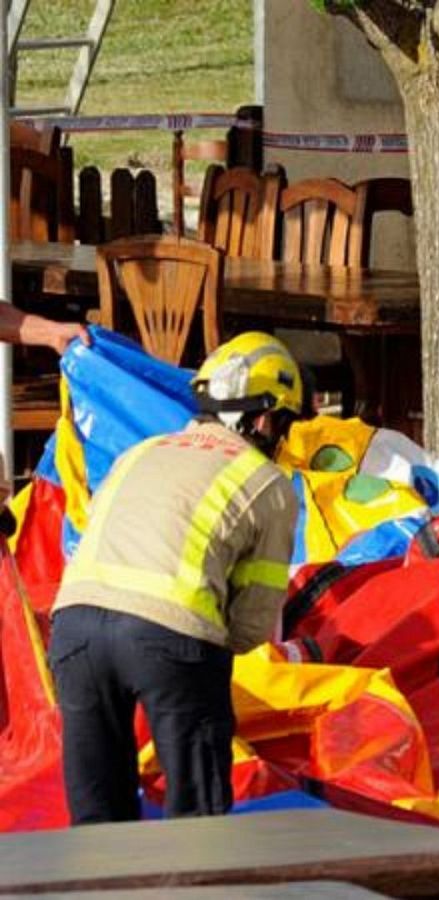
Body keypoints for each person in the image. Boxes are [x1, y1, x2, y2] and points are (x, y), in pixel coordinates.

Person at [48, 332, 303, 823]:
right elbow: (250, 626)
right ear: (266, 418)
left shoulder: (141, 452)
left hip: (74, 631)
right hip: (172, 636)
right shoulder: (268, 483)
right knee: (197, 823)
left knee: (96, 823)